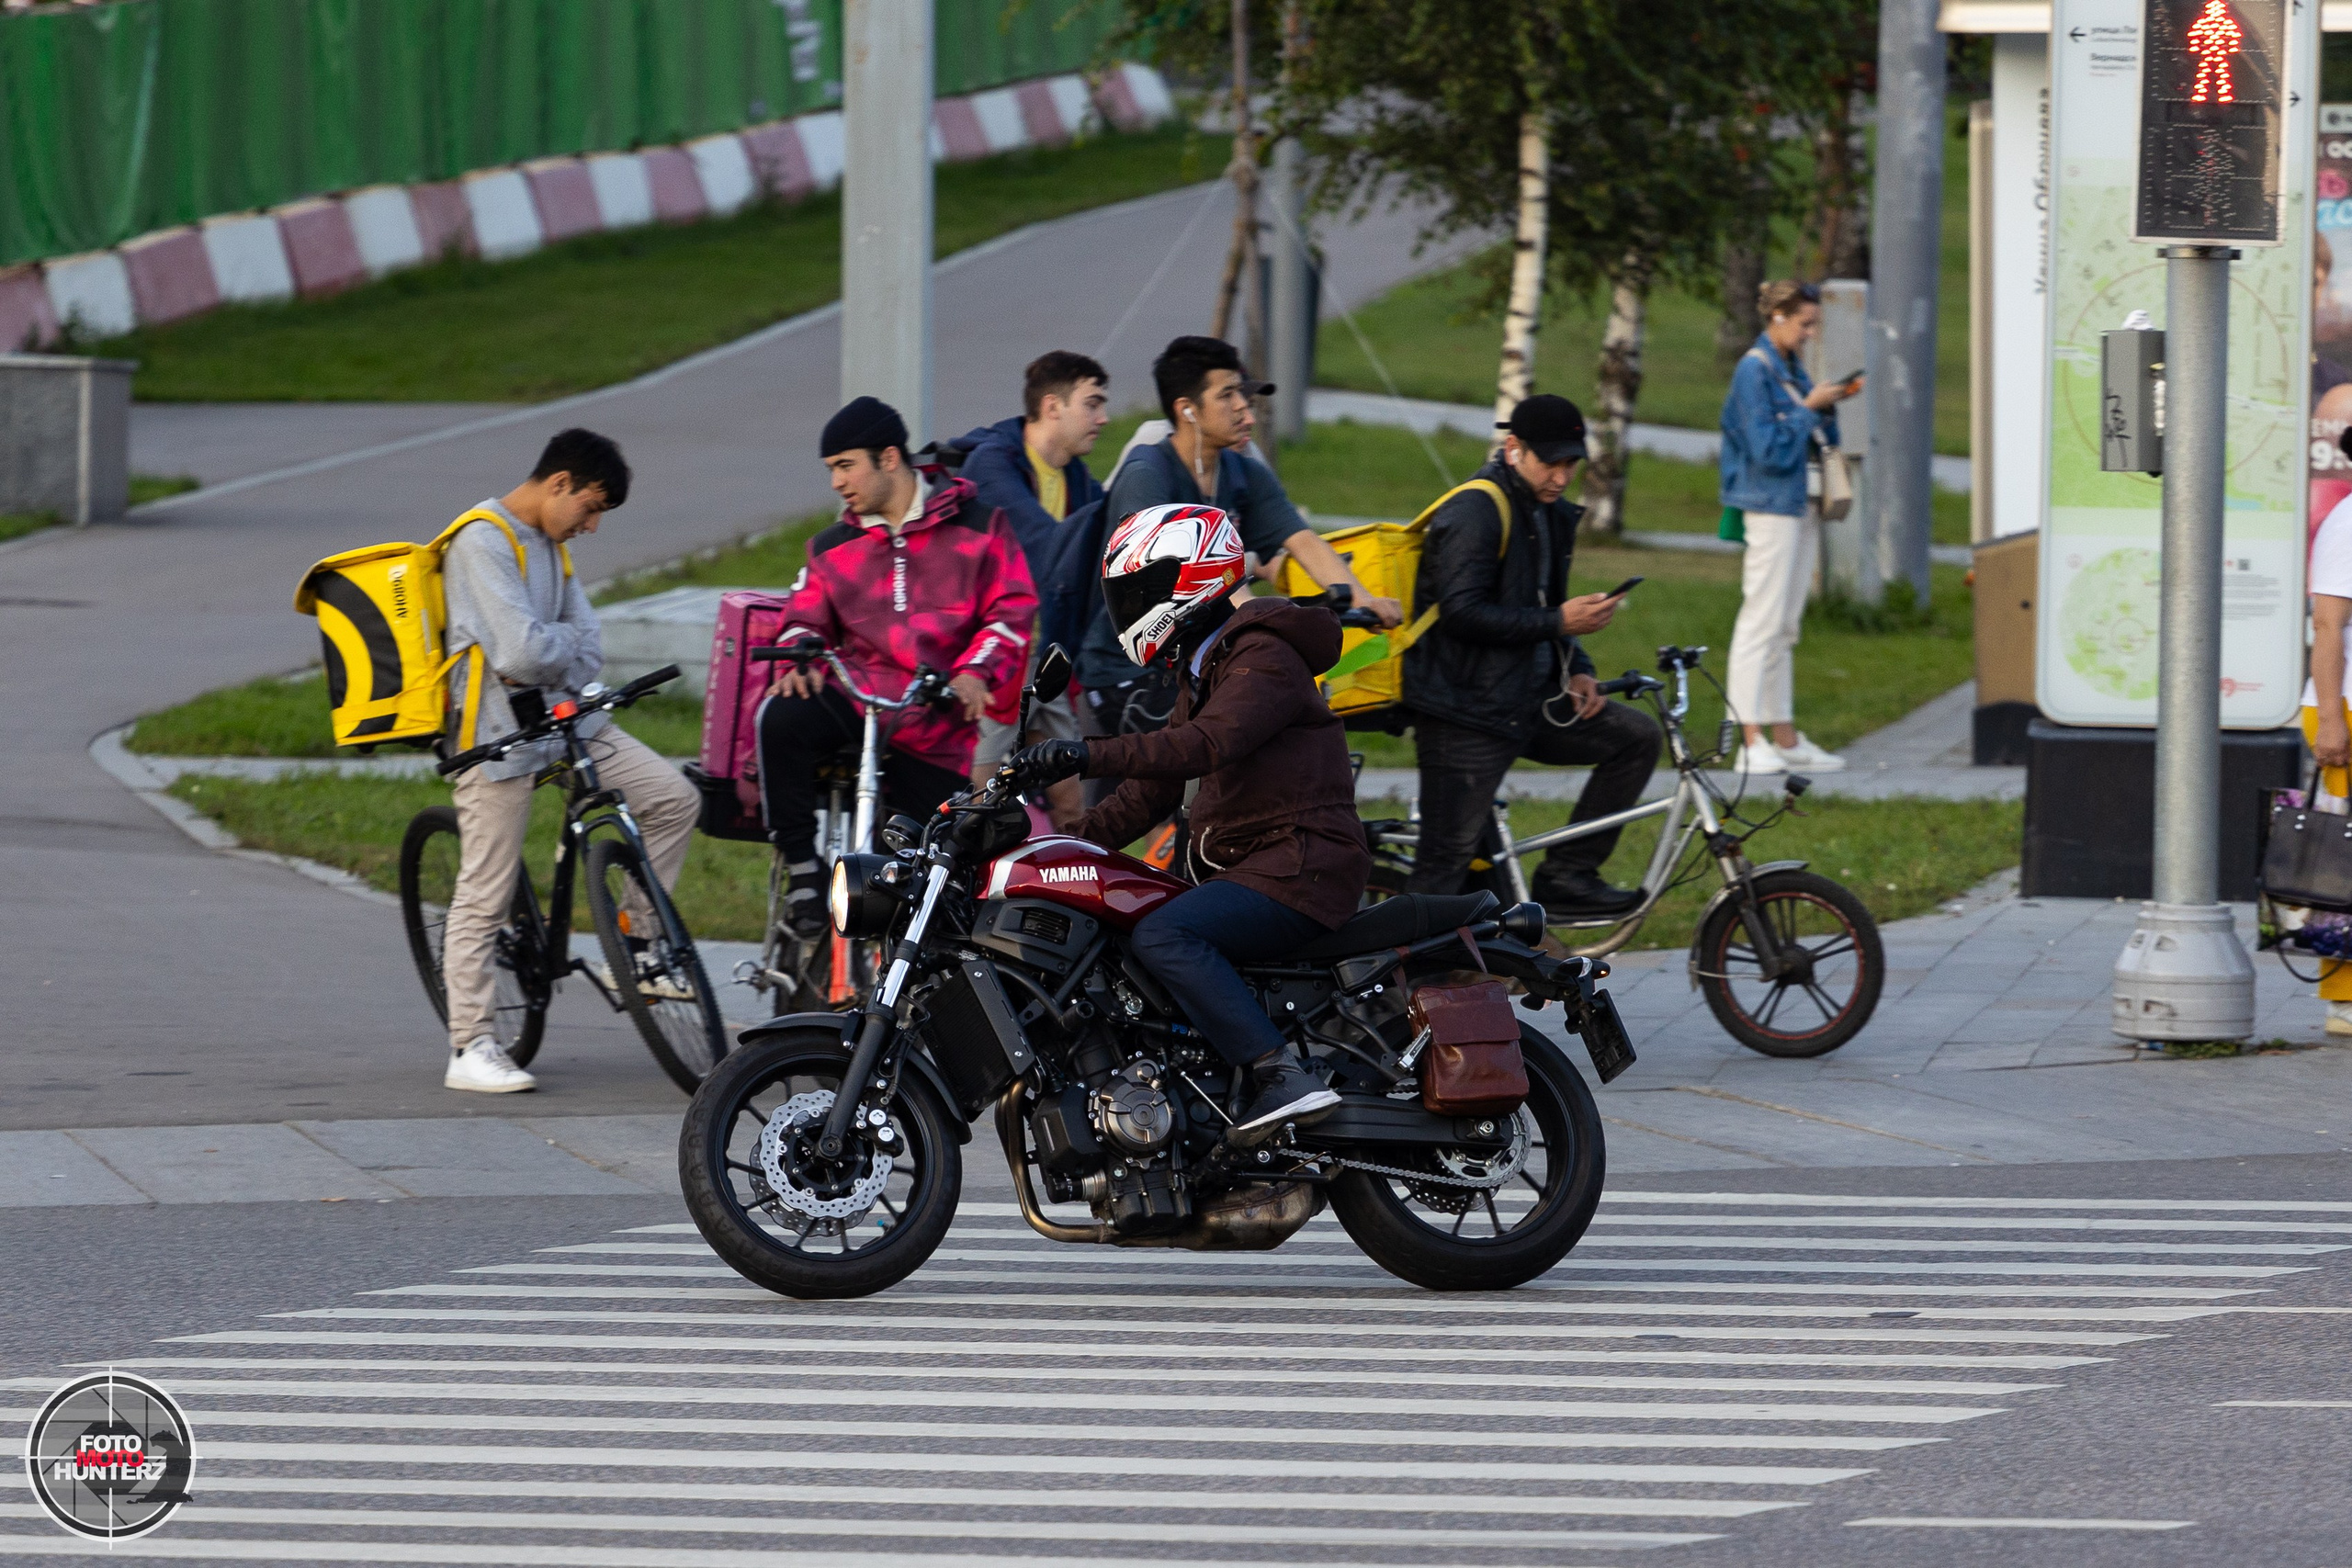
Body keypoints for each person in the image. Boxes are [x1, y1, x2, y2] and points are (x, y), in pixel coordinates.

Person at [1011, 502, 1369, 1140]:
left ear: (1189, 581)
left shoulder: (1265, 657)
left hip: (1300, 867)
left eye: (1140, 591)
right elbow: (1144, 798)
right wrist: (1043, 855)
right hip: (1264, 866)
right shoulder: (1206, 670)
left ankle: (1278, 1073)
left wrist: (1083, 751)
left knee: (1164, 934)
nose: (1130, 608)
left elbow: (1204, 746)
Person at [438, 428, 701, 1094]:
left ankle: (637, 948)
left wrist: (554, 649)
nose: (590, 527)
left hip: (567, 721)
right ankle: (470, 1043)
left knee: (673, 797)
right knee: (485, 888)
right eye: (589, 508)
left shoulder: (551, 546)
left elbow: (585, 648)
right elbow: (521, 656)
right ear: (559, 483)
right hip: (492, 735)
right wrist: (558, 648)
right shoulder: (482, 541)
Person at [1077, 336, 1402, 798]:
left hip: (1192, 664)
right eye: (1228, 396)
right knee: (1182, 796)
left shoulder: (1241, 470)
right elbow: (1198, 580)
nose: (1246, 412)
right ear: (1187, 409)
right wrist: (1262, 627)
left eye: (1244, 397)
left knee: (1206, 794)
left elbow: (1302, 540)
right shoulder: (1148, 475)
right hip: (1126, 671)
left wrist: (1362, 598)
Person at [759, 396, 1036, 936]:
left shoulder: (981, 526)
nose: (837, 483)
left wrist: (976, 669)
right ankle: (802, 871)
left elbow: (1013, 607)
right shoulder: (831, 545)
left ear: (889, 458)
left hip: (935, 720)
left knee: (933, 876)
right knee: (780, 717)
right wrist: (800, 651)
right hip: (854, 698)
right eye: (831, 470)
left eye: (845, 466)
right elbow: (802, 615)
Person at [1400, 394, 1663, 919]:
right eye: (1552, 462)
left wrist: (1579, 667)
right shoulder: (1475, 510)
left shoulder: (1543, 510)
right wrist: (1561, 622)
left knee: (1637, 737)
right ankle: (1383, 991)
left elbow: (1541, 603)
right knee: (1444, 864)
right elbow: (1461, 613)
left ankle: (1567, 875)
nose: (1563, 477)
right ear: (1513, 448)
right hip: (1464, 714)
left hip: (1527, 700)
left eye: (1572, 464)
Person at [954, 350, 1113, 828]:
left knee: (1073, 806)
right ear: (1051, 407)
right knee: (982, 805)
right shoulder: (992, 467)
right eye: (1093, 404)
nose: (1103, 418)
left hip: (1047, 658)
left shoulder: (1077, 480)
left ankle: (1071, 895)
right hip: (996, 659)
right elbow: (1052, 550)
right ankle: (958, 897)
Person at [1718, 278, 1865, 776]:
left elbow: (1814, 434)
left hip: (1800, 502)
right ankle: (1748, 738)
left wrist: (1830, 401)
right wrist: (1808, 409)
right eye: (1804, 324)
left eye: (1813, 325)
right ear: (1777, 317)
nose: (1809, 334)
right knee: (1760, 620)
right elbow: (1767, 449)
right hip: (1770, 504)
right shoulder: (1753, 372)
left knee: (1786, 623)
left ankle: (1783, 736)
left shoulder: (1789, 367)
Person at [2303, 467, 2352, 1033]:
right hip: (2344, 707)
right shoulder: (2346, 525)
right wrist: (2332, 721)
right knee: (2342, 857)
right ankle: (2342, 999)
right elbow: (2329, 625)